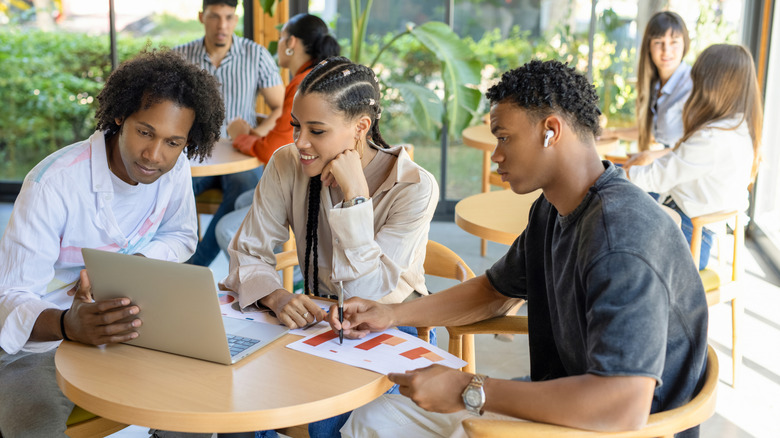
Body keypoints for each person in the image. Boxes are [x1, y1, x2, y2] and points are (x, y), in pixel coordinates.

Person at [329, 60, 709, 438]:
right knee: (372, 419)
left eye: (504, 137)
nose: (496, 154)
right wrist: (391, 313)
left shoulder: (621, 237)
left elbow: (622, 403)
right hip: (561, 409)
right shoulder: (553, 209)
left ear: (551, 131)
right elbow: (493, 291)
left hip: (613, 428)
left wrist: (470, 389)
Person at [0, 49, 224, 437]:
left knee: (198, 409)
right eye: (145, 132)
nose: (155, 155)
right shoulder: (52, 184)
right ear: (120, 116)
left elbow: (181, 234)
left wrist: (133, 264)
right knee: (33, 427)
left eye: (173, 142)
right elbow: (10, 296)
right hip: (42, 344)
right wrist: (69, 325)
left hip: (136, 330)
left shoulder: (174, 167)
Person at [220, 56, 439, 437]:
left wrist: (355, 197)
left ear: (360, 128)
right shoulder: (287, 163)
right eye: (296, 126)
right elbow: (248, 252)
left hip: (389, 328)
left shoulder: (414, 187)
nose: (300, 142)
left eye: (316, 131)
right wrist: (276, 297)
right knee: (237, 398)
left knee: (324, 422)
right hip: (314, 321)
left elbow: (365, 294)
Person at [625, 44, 762, 271]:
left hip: (690, 237)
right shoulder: (738, 129)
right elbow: (678, 166)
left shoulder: (711, 138)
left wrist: (618, 173)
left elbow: (658, 177)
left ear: (711, 87)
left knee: (614, 232)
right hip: (701, 231)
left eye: (696, 81)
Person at [215, 13, 341, 254]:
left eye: (281, 39)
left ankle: (282, 279)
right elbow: (282, 138)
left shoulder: (304, 84)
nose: (279, 46)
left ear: (291, 43)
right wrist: (252, 134)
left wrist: (240, 136)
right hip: (316, 183)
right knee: (243, 200)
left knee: (226, 229)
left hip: (312, 190)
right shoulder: (318, 76)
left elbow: (276, 149)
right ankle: (283, 270)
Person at [174, 0, 285, 267]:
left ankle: (192, 268)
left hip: (240, 155)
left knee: (245, 184)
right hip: (193, 154)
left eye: (228, 17)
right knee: (168, 189)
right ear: (202, 17)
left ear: (235, 20)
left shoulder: (255, 55)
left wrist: (255, 135)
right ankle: (163, 263)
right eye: (214, 17)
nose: (221, 25)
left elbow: (281, 107)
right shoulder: (180, 56)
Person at [636, 11, 692, 151]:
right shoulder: (655, 85)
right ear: (648, 47)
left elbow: (695, 148)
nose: (666, 50)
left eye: (674, 42)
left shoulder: (693, 86)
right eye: (658, 42)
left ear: (685, 44)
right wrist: (611, 133)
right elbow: (647, 131)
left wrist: (649, 157)